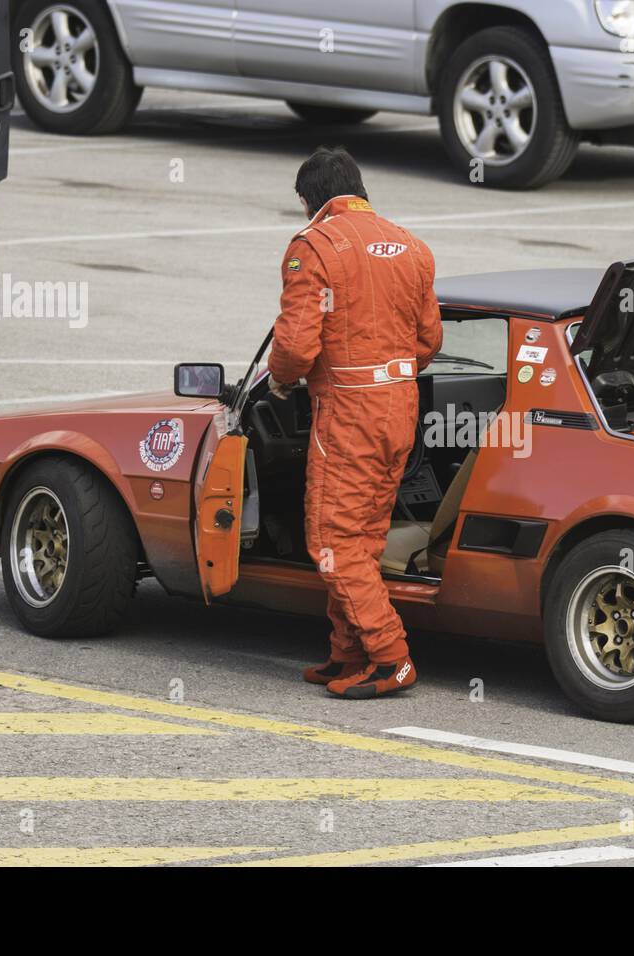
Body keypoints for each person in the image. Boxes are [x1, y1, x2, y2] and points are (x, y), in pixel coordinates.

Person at [267, 147, 442, 699]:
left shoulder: (313, 247)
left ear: (307, 200)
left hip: (348, 411)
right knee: (363, 539)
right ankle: (349, 652)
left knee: (332, 541)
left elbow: (295, 346)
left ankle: (391, 656)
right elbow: (429, 341)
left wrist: (281, 378)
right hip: (400, 408)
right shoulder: (412, 246)